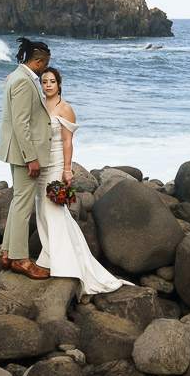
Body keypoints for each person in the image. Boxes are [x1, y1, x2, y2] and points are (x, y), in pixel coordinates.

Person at [34, 66, 131, 294]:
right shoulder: (38, 105)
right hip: (40, 163)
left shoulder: (65, 109)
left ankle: (64, 264)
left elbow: (67, 141)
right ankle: (48, 257)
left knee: (54, 210)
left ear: (59, 84)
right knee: (41, 210)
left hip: (57, 163)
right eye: (44, 81)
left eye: (52, 81)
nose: (48, 85)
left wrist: (67, 170)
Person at [0, 36, 53, 279]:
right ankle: (21, 260)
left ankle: (8, 253)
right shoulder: (23, 81)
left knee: (18, 201)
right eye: (44, 66)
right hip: (23, 153)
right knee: (23, 204)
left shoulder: (16, 77)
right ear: (38, 62)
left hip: (16, 151)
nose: (44, 72)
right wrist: (32, 158)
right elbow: (21, 124)